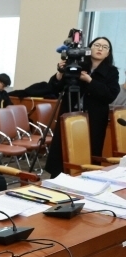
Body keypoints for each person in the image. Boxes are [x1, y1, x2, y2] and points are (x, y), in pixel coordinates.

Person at [45, 36, 119, 177]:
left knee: (89, 151)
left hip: (94, 119)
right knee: (63, 149)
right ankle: (56, 178)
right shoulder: (76, 64)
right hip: (69, 114)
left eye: (104, 47)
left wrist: (90, 81)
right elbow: (54, 89)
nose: (100, 49)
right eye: (97, 45)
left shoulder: (111, 72)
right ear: (88, 49)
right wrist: (60, 73)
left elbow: (110, 95)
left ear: (108, 53)